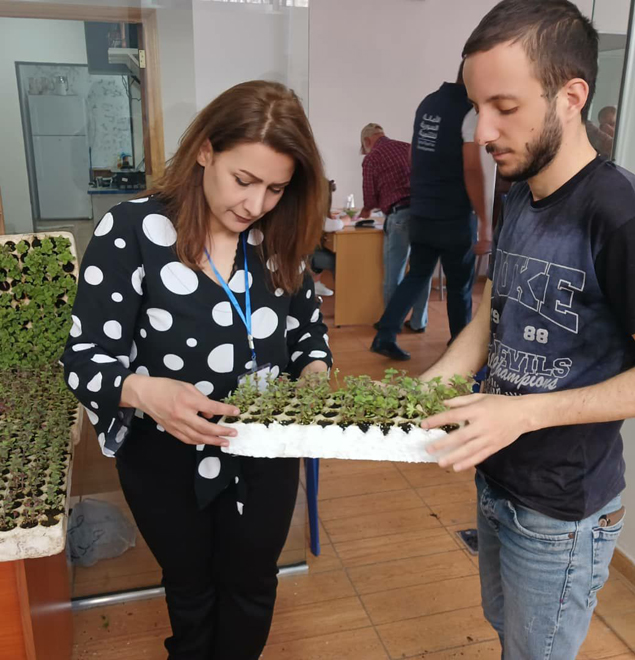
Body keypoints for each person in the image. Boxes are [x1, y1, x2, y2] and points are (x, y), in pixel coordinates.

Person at [419, 2, 635, 658]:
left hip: (563, 512)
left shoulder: (624, 217)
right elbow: (494, 308)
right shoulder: (518, 187)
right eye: (477, 107)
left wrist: (523, 415)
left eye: (505, 107)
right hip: (499, 479)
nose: (483, 131)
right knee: (511, 637)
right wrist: (432, 382)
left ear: (571, 97)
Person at [61, 81, 333, 660]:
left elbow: (308, 332)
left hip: (264, 449)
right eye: (243, 180)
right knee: (190, 590)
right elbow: (84, 358)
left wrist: (313, 375)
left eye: (275, 188)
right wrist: (144, 392)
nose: (255, 205)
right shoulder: (132, 232)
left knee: (253, 585)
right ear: (206, 150)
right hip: (164, 458)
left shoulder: (279, 236)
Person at [371, 67, 490, 361]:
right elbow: (472, 168)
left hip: (422, 212)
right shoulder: (469, 112)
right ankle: (459, 347)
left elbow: (414, 156)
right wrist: (485, 221)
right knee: (460, 286)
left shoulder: (428, 103)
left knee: (417, 275)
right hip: (454, 216)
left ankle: (385, 334)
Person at [358, 123, 431, 333]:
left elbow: (370, 197)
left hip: (399, 216)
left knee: (394, 273)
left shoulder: (372, 158)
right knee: (420, 272)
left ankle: (392, 323)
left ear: (367, 141)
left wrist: (365, 210)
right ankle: (419, 322)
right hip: (423, 213)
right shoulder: (407, 147)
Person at [311, 178, 349, 297]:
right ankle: (344, 296)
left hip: (305, 254)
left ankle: (315, 282)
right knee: (338, 260)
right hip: (304, 258)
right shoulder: (310, 210)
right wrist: (345, 220)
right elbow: (331, 225)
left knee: (323, 247)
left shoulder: (309, 207)